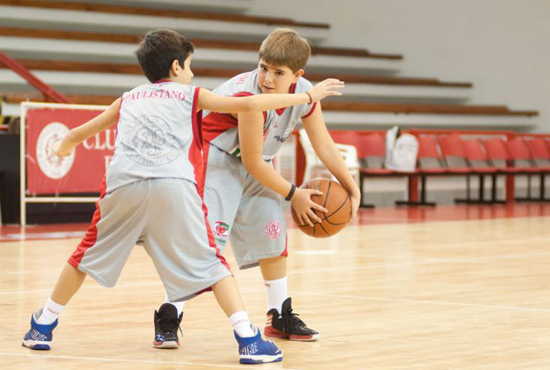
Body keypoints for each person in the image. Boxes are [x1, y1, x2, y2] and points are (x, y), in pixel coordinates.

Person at [21, 29, 343, 365]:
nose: (192, 72)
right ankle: (248, 338)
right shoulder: (191, 95)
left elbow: (75, 135)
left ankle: (43, 325)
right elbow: (250, 103)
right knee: (210, 261)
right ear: (176, 68)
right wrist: (307, 97)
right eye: (189, 65)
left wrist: (63, 146)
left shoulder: (128, 97)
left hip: (121, 187)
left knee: (83, 256)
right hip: (173, 186)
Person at [156, 28, 361, 346]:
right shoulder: (247, 94)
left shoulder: (304, 93)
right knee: (205, 245)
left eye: (278, 72)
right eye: (263, 67)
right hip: (214, 159)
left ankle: (279, 315)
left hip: (257, 164)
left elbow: (322, 142)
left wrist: (352, 186)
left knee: (273, 234)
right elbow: (251, 162)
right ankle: (170, 313)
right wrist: (294, 193)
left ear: (297, 75)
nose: (267, 77)